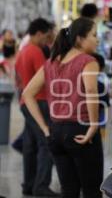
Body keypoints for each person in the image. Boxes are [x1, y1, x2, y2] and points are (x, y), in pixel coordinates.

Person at [23, 17, 103, 198]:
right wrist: (93, 125)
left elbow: (27, 94)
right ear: (80, 39)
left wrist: (45, 128)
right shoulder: (87, 61)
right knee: (92, 190)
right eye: (94, 35)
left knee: (68, 190)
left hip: (56, 131)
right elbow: (90, 90)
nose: (97, 40)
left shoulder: (51, 62)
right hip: (80, 129)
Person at [14, 18, 58, 197]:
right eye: (46, 36)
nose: (47, 40)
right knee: (46, 143)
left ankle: (29, 185)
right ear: (39, 33)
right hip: (38, 102)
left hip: (26, 102)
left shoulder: (22, 51)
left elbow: (18, 79)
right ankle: (41, 185)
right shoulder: (36, 52)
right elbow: (46, 78)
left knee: (29, 145)